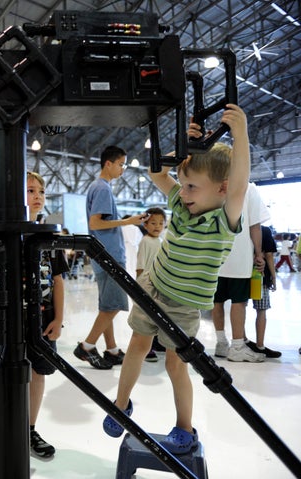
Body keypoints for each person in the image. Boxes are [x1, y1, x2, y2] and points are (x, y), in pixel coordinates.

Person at [102, 103, 249, 454]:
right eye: (182, 186)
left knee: (175, 363)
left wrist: (240, 135)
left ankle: (185, 426)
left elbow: (241, 183)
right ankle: (121, 404)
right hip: (153, 287)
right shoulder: (182, 205)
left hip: (184, 304)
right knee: (136, 346)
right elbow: (157, 173)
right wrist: (182, 149)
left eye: (192, 187)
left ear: (222, 189)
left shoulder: (224, 220)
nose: (182, 194)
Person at [74, 146, 147, 369]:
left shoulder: (98, 187)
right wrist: (128, 221)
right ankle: (87, 346)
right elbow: (95, 223)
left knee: (107, 304)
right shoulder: (102, 188)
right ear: (109, 163)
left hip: (103, 254)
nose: (123, 169)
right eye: (121, 164)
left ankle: (112, 349)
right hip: (109, 255)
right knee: (113, 305)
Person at [22, 171, 68, 457]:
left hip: (43, 316)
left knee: (39, 373)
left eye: (41, 191)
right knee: (1, 373)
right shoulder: (3, 235)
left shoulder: (48, 234)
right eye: (30, 190)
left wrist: (58, 319)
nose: (37, 195)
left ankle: (29, 428)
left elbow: (59, 279)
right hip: (10, 316)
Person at [211, 182, 270, 362]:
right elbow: (255, 225)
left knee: (217, 300)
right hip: (240, 254)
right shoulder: (247, 186)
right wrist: (259, 254)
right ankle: (237, 346)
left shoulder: (211, 182)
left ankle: (221, 343)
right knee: (239, 302)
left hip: (214, 254)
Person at [135, 207, 167, 362]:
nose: (157, 226)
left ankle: (157, 342)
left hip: (159, 284)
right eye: (153, 223)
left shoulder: (161, 241)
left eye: (161, 223)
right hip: (147, 284)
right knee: (147, 318)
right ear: (145, 225)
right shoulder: (145, 241)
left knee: (158, 315)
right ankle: (147, 349)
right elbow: (140, 266)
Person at [248, 225, 281, 358]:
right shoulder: (265, 230)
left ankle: (241, 340)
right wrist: (273, 277)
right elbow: (269, 255)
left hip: (241, 274)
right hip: (259, 275)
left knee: (240, 306)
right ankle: (260, 346)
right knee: (261, 310)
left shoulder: (242, 229)